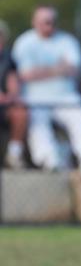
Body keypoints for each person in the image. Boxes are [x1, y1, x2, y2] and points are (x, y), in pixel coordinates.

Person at [12, 6, 81, 174]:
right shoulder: (24, 43)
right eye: (44, 22)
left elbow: (74, 69)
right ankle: (49, 160)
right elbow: (24, 75)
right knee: (37, 123)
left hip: (66, 97)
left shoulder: (67, 41)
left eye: (51, 22)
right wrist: (58, 69)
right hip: (35, 97)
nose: (48, 26)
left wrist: (40, 71)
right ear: (34, 22)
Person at [0, 20, 28, 169]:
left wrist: (9, 96)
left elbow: (13, 86)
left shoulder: (8, 59)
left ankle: (14, 154)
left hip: (4, 106)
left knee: (20, 113)